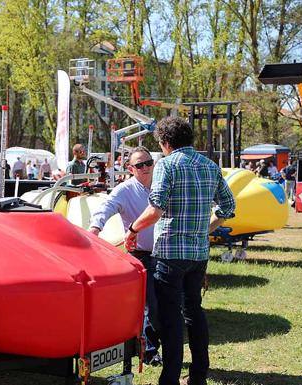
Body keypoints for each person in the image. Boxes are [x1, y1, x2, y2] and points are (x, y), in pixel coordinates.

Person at [124, 117, 235, 385]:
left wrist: (133, 230)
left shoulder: (167, 165)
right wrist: (204, 228)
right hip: (198, 254)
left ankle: (170, 378)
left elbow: (155, 209)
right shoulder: (210, 166)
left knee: (171, 318)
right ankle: (198, 376)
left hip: (170, 254)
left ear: (164, 143)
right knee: (194, 312)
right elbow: (228, 207)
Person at [88, 146, 161, 365]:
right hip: (139, 255)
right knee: (151, 304)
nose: (146, 168)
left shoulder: (161, 185)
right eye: (140, 165)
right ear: (130, 168)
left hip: (164, 252)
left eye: (148, 163)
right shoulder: (124, 190)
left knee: (164, 304)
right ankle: (148, 350)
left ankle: (149, 346)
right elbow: (106, 208)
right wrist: (94, 228)